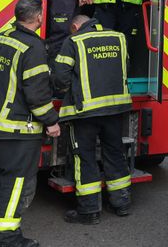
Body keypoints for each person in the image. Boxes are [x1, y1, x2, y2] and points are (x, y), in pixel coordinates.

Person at [0, 0, 60, 247]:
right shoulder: (33, 48)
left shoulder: (1, 39)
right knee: (15, 185)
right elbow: (36, 93)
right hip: (17, 131)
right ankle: (6, 238)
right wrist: (51, 121)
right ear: (38, 17)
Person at [52, 15, 133, 225]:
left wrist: (65, 92)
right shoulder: (119, 38)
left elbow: (60, 77)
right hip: (115, 109)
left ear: (75, 27)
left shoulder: (74, 41)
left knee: (84, 157)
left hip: (84, 113)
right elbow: (125, 66)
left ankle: (89, 211)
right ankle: (121, 203)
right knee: (115, 152)